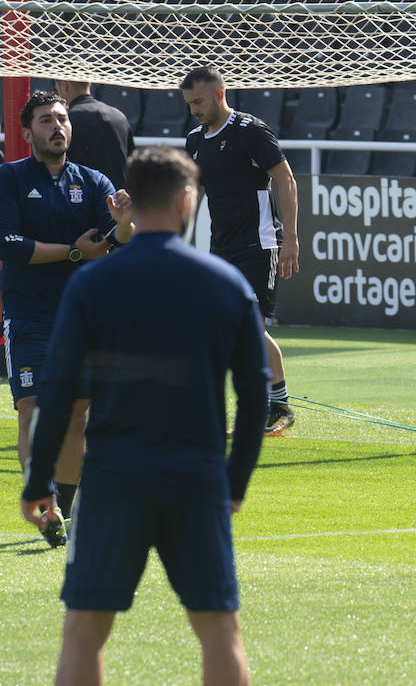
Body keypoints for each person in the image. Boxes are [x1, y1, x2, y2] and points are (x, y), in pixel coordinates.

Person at [20, 145, 270, 686]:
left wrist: (39, 481)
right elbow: (256, 397)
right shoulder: (226, 284)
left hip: (113, 479)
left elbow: (59, 392)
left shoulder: (92, 283)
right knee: (219, 632)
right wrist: (235, 480)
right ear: (187, 200)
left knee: (84, 632)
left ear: (129, 205)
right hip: (196, 478)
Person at [0, 91, 134, 547]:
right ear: (27, 132)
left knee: (77, 416)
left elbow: (113, 240)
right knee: (34, 412)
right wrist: (75, 252)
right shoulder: (11, 178)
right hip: (30, 315)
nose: (57, 126)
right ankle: (45, 501)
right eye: (45, 120)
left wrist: (125, 224)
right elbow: (11, 246)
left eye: (61, 119)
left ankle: (64, 514)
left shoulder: (93, 181)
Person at [181, 65, 299, 436]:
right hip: (221, 246)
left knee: (249, 324)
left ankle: (278, 405)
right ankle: (254, 406)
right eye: (188, 104)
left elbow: (285, 178)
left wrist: (291, 239)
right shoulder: (196, 139)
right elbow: (194, 194)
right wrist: (179, 243)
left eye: (198, 101)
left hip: (258, 242)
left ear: (219, 94)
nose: (194, 110)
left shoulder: (251, 131)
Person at [54, 79, 135, 190]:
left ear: (65, 85)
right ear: (89, 83)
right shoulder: (119, 117)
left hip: (80, 197)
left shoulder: (67, 121)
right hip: (118, 200)